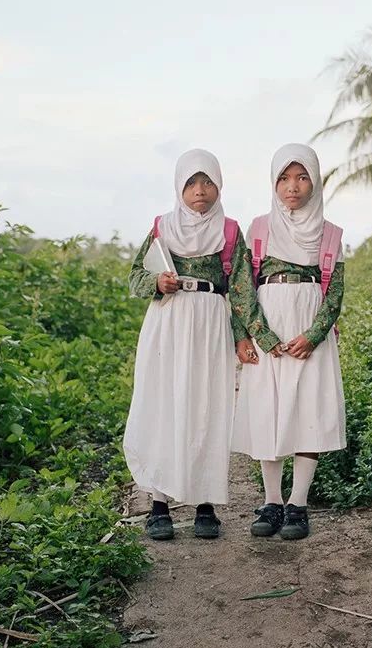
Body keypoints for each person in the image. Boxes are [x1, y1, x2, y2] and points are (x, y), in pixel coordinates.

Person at [124, 148, 260, 541]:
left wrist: (242, 337)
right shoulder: (162, 227)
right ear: (179, 188)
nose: (200, 190)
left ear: (219, 186)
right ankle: (159, 506)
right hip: (168, 323)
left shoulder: (231, 231)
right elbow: (135, 275)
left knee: (207, 407)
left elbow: (241, 290)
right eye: (191, 183)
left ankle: (205, 506)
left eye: (208, 182)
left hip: (210, 325)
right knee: (164, 406)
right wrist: (156, 283)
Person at [231, 143, 347, 540]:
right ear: (274, 183)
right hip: (270, 330)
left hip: (308, 332)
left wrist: (312, 337)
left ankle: (298, 503)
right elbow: (242, 288)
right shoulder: (260, 228)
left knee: (307, 410)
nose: (292, 187)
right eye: (284, 178)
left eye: (301, 177)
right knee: (269, 409)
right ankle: (271, 501)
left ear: (314, 181)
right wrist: (259, 336)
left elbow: (335, 295)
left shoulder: (330, 234)